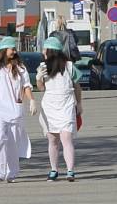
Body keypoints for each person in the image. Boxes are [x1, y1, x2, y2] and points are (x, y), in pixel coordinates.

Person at [0, 36, 37, 183]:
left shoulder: (20, 68)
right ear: (3, 50)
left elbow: (26, 86)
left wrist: (31, 100)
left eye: (14, 49)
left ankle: (12, 172)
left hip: (15, 110)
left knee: (13, 142)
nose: (14, 51)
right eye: (12, 48)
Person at [36, 36, 82, 182]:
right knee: (53, 140)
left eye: (45, 49)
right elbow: (42, 88)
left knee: (66, 138)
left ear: (51, 51)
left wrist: (79, 103)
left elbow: (77, 86)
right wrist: (38, 78)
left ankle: (70, 170)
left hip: (66, 105)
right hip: (50, 107)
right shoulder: (43, 67)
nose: (43, 52)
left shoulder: (69, 66)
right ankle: (54, 169)